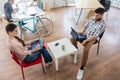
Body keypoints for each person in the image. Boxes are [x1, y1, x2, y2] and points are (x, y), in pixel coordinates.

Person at [70, 7, 105, 80]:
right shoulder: (92, 18)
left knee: (86, 49)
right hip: (85, 34)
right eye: (95, 15)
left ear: (102, 15)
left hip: (92, 38)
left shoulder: (103, 25)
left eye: (97, 16)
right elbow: (86, 25)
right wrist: (82, 31)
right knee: (72, 38)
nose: (95, 17)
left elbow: (95, 36)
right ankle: (76, 49)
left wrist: (85, 41)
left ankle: (82, 67)